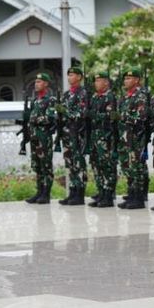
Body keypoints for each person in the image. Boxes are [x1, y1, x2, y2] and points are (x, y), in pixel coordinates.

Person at [117, 68, 151, 210]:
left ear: (137, 80)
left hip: (136, 138)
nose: (126, 81)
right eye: (125, 79)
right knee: (128, 168)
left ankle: (139, 197)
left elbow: (141, 117)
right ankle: (131, 194)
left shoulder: (140, 96)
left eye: (129, 78)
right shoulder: (125, 97)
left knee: (136, 168)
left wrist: (123, 117)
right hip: (125, 139)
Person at [24, 73, 57, 204]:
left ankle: (46, 194)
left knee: (46, 166)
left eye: (39, 82)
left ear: (46, 84)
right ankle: (39, 191)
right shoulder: (35, 101)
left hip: (44, 138)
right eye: (35, 81)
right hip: (34, 138)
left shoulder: (51, 100)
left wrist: (33, 119)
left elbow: (49, 118)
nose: (36, 84)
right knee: (37, 166)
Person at [87, 72, 119, 208]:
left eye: (100, 80)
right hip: (95, 137)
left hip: (107, 138)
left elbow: (109, 116)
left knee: (108, 167)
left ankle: (108, 194)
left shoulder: (111, 97)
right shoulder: (94, 97)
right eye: (96, 80)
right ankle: (101, 192)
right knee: (96, 166)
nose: (97, 83)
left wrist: (93, 115)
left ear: (106, 82)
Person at [58, 67, 89, 206]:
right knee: (70, 165)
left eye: (72, 75)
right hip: (66, 134)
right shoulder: (65, 95)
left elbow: (80, 114)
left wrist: (65, 111)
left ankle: (80, 194)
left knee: (78, 164)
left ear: (79, 77)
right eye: (68, 75)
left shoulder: (83, 94)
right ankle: (72, 192)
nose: (69, 77)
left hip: (78, 134)